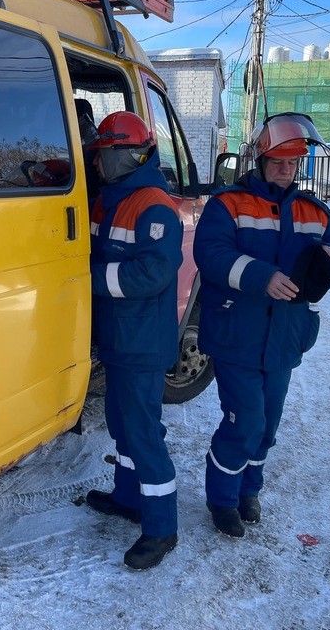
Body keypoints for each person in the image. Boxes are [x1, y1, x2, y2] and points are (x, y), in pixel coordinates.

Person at [193, 112, 330, 538]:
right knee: (244, 420)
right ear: (260, 161)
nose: (286, 170)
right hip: (237, 336)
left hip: (285, 337)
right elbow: (210, 253)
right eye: (278, 162)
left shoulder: (311, 210)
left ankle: (249, 490)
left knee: (269, 422)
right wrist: (261, 276)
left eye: (293, 163)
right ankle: (223, 499)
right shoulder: (227, 204)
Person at [84, 111, 183, 570]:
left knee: (143, 434)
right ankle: (129, 497)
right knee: (123, 427)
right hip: (120, 341)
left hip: (142, 344)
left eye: (104, 154)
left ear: (128, 154)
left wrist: (90, 279)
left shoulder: (153, 204)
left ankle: (162, 527)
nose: (97, 162)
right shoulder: (109, 199)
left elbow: (155, 272)